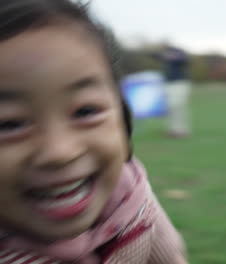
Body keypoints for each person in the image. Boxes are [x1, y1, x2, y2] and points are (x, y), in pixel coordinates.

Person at [0, 1, 187, 263]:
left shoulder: (132, 198)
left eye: (86, 111)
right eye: (8, 124)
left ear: (122, 117)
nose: (60, 152)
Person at [158, 44, 192, 138]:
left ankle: (181, 131)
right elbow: (155, 55)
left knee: (177, 106)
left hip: (180, 83)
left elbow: (184, 59)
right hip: (168, 83)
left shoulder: (181, 58)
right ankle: (172, 130)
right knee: (170, 108)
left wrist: (172, 56)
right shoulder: (167, 59)